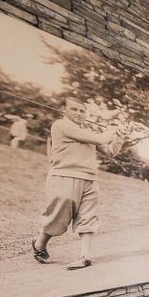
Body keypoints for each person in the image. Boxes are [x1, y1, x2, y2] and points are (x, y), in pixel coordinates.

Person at [32, 98, 126, 270]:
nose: (78, 113)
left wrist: (119, 137)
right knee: (58, 217)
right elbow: (101, 139)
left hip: (89, 179)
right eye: (74, 109)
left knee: (87, 217)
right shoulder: (60, 125)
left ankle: (85, 256)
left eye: (82, 111)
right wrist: (111, 130)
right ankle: (39, 244)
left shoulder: (86, 133)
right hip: (64, 176)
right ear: (64, 110)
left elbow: (110, 151)